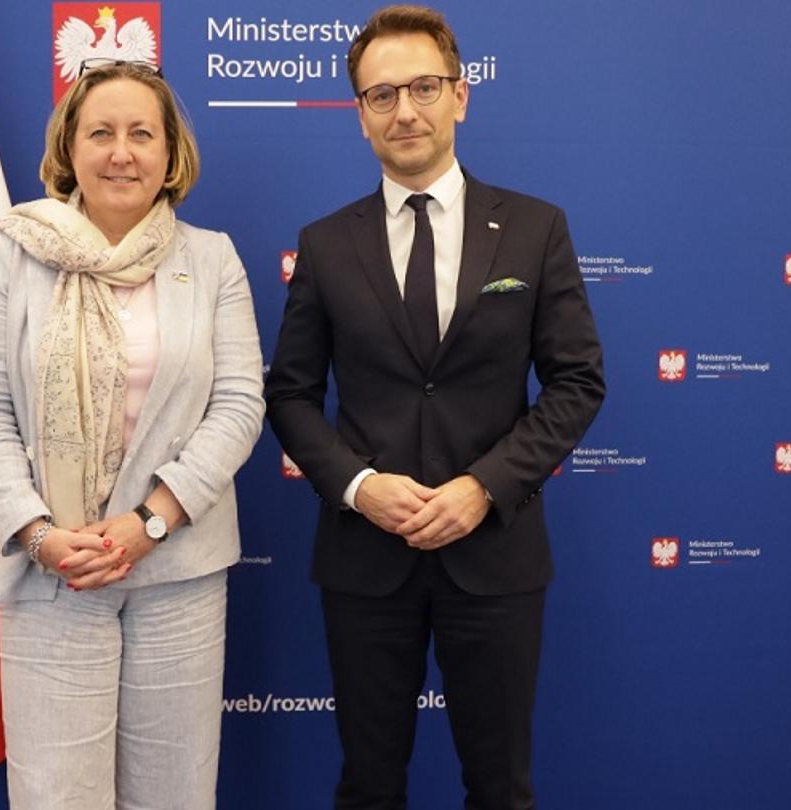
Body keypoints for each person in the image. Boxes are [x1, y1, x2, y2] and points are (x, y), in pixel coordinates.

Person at [264, 6, 605, 808]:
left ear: (461, 96)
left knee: (500, 785)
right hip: (364, 561)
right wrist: (358, 486)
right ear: (360, 116)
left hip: (495, 557)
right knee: (369, 782)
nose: (405, 111)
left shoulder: (533, 229)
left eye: (423, 87)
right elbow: (291, 393)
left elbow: (577, 381)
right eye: (382, 95)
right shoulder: (325, 243)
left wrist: (484, 486)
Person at [0, 59, 265, 808]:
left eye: (140, 134)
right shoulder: (12, 250)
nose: (121, 152)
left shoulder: (212, 258)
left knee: (174, 795)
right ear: (69, 150)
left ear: (169, 156)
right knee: (57, 795)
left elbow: (240, 404)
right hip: (52, 571)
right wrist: (36, 534)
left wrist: (148, 522)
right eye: (101, 133)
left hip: (178, 570)